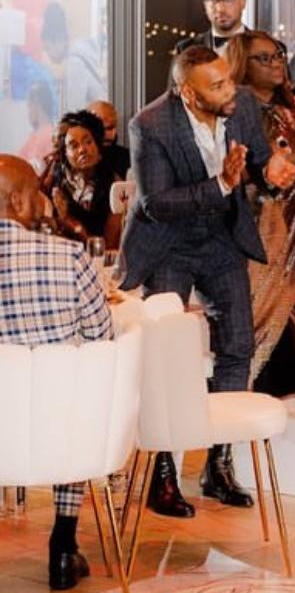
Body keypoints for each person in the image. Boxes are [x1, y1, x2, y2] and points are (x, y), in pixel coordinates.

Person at [120, 46, 295, 517]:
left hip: (221, 239)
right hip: (169, 243)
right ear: (188, 92)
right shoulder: (150, 125)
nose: (229, 90)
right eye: (216, 85)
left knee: (238, 346)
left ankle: (218, 464)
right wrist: (221, 184)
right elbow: (156, 203)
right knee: (165, 355)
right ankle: (162, 471)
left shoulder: (241, 106)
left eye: (227, 79)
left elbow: (258, 164)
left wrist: (271, 172)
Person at [0, 154, 113, 591]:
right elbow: (102, 338)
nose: (44, 202)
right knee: (76, 397)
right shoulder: (69, 256)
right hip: (60, 434)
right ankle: (63, 544)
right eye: (37, 193)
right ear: (17, 201)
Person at [225, 30, 295, 395]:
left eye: (278, 55)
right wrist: (292, 138)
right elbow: (249, 169)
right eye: (264, 58)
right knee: (261, 309)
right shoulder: (236, 111)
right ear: (242, 64)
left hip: (292, 224)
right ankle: (246, 394)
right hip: (256, 223)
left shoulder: (292, 102)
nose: (276, 64)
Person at [42, 110, 124, 249]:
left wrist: (71, 223)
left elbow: (108, 247)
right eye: (73, 145)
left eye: (88, 142)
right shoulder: (54, 181)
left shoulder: (114, 185)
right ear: (64, 154)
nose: (82, 150)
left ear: (98, 147)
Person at [42, 1, 108, 109]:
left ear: (59, 40)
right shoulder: (81, 51)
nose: (48, 55)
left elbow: (74, 109)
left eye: (47, 49)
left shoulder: (75, 63)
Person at [177, 0, 248, 57]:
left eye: (228, 0)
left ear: (243, 3)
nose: (220, 9)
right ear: (205, 6)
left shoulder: (261, 46)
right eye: (213, 1)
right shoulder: (186, 49)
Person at [86, 100, 131, 179]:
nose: (110, 134)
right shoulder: (80, 159)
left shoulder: (128, 158)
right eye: (101, 128)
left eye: (111, 127)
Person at [17, 81, 56, 171]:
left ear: (37, 104)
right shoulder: (36, 135)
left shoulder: (48, 136)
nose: (28, 113)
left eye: (29, 107)